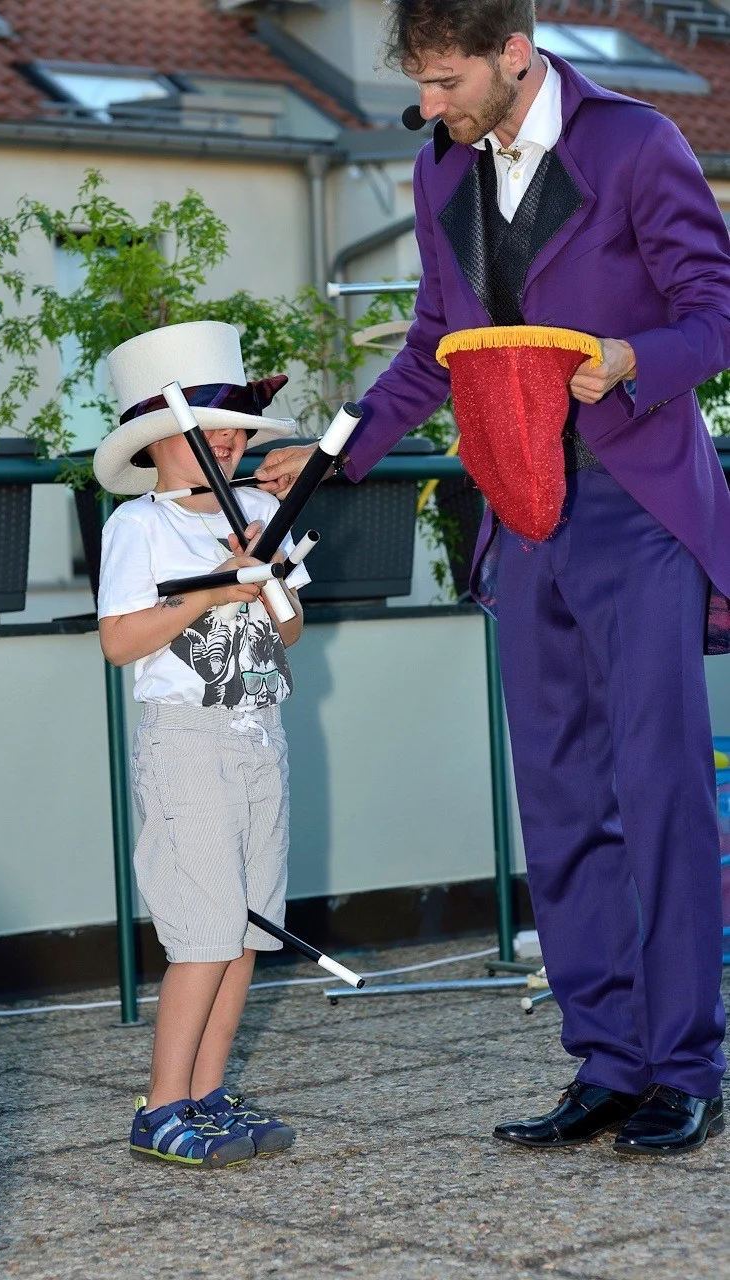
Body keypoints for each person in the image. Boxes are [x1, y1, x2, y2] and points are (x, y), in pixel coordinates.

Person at [255, 0, 730, 1155]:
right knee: (559, 798)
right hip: (517, 516)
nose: (425, 105)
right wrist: (324, 459)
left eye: (441, 79)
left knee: (659, 788)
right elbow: (429, 346)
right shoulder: (440, 168)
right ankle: (605, 1063)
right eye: (417, 83)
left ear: (511, 54)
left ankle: (684, 1066)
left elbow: (714, 315)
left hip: (636, 508)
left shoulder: (632, 144)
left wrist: (630, 360)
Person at [95, 321, 309, 1168]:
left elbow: (290, 632)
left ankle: (210, 1092)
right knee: (204, 932)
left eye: (236, 428)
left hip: (261, 736)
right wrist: (211, 591)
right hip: (186, 743)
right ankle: (163, 1103)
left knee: (251, 930)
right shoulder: (137, 528)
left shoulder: (260, 512)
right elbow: (118, 641)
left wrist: (263, 578)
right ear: (158, 444)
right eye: (209, 426)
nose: (226, 439)